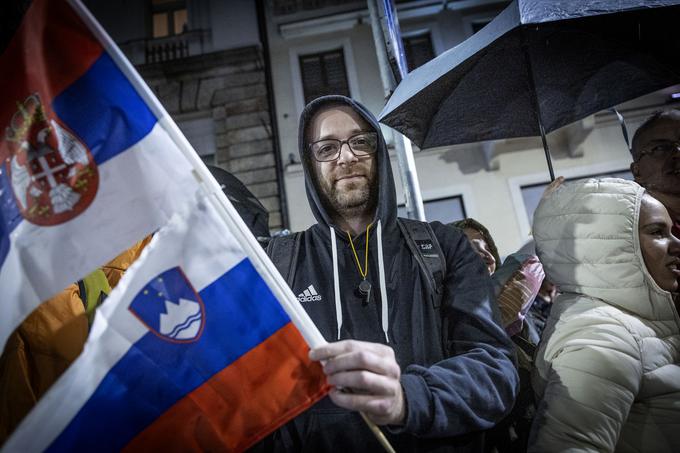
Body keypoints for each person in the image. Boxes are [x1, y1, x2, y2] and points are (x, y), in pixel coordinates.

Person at [257, 95, 518, 452]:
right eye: (327, 148)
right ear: (310, 164)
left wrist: (406, 399)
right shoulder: (277, 264)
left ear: (378, 151)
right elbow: (257, 398)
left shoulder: (444, 247)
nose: (346, 157)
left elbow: (496, 372)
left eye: (360, 142)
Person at [529, 178, 680, 452]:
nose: (676, 244)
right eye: (658, 232)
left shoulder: (635, 320)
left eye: (671, 231)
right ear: (608, 246)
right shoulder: (601, 336)